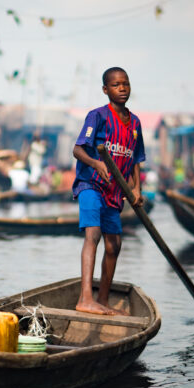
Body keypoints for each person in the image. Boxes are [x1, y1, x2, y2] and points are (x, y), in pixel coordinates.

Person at [72, 66, 145, 316]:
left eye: (125, 83)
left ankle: (102, 300)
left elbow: (135, 158)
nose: (122, 88)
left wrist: (136, 189)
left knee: (114, 245)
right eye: (115, 85)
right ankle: (85, 298)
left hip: (115, 192)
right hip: (91, 185)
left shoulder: (134, 123)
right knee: (93, 235)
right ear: (106, 90)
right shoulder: (98, 116)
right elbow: (78, 149)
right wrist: (96, 163)